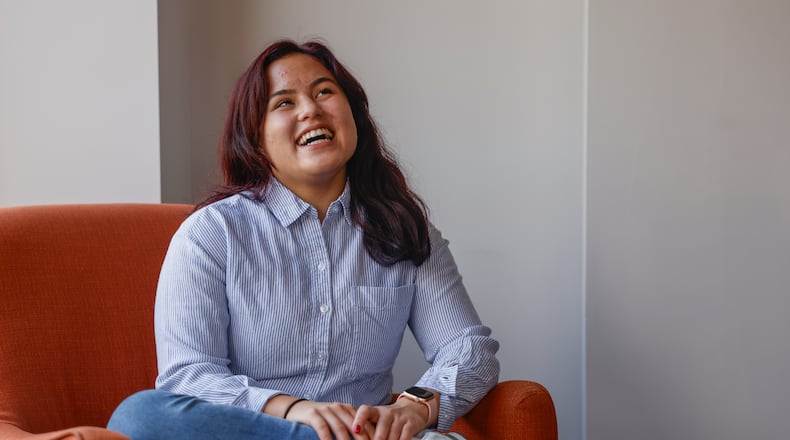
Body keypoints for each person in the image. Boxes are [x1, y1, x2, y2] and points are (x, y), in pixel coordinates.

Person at [107, 39, 499, 440]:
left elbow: (468, 349)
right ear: (256, 139)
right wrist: (295, 411)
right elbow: (189, 378)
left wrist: (414, 405)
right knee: (139, 416)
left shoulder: (403, 230)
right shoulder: (212, 233)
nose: (311, 109)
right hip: (259, 433)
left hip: (366, 434)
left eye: (324, 91)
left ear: (353, 116)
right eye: (284, 103)